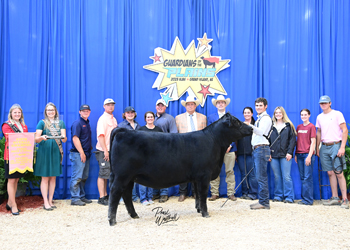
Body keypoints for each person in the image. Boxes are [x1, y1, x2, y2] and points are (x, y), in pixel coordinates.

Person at [316, 95, 348, 209]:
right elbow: (319, 132)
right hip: (324, 146)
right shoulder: (319, 117)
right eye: (321, 103)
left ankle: (345, 199)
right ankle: (335, 198)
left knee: (339, 172)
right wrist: (317, 148)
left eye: (325, 103)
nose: (323, 105)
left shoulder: (337, 114)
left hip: (336, 145)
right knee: (330, 173)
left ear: (330, 103)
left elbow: (345, 130)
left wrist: (342, 147)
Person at [34, 102, 67, 211]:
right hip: (44, 151)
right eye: (48, 110)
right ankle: (45, 202)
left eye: (52, 110)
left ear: (55, 111)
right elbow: (36, 139)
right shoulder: (42, 123)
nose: (50, 112)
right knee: (45, 177)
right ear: (46, 112)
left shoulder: (60, 123)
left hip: (55, 151)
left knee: (53, 177)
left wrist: (63, 138)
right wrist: (42, 137)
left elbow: (64, 138)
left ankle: (51, 200)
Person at [175, 96, 207, 202]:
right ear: (185, 106)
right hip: (183, 147)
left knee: (197, 170)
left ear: (195, 105)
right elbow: (176, 134)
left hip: (198, 148)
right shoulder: (178, 118)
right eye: (188, 104)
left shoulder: (203, 117)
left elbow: (205, 134)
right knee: (182, 170)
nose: (190, 106)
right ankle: (182, 193)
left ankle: (195, 193)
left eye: (192, 104)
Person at [207, 95, 237, 201]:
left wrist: (230, 144)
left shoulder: (231, 117)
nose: (220, 104)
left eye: (222, 102)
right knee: (214, 171)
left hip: (230, 149)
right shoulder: (211, 118)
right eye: (218, 102)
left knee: (230, 171)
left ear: (225, 104)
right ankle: (214, 193)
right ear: (216, 105)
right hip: (215, 150)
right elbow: (210, 133)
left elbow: (235, 132)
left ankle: (231, 193)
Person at [1, 104, 29, 215]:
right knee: (11, 180)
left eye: (19, 112)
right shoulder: (7, 125)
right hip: (11, 156)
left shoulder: (23, 125)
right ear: (11, 114)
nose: (17, 114)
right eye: (15, 112)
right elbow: (10, 138)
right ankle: (14, 205)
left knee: (16, 179)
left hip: (20, 156)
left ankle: (9, 202)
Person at [247, 97, 272, 210]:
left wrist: (249, 125)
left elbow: (261, 132)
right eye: (257, 105)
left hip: (261, 149)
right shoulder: (259, 118)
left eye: (260, 105)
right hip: (258, 149)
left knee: (261, 176)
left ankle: (264, 202)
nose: (258, 107)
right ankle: (262, 200)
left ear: (265, 106)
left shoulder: (265, 118)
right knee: (259, 176)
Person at [269, 106, 296, 203]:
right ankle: (278, 195)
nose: (278, 114)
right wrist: (268, 153)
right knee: (277, 176)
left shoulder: (289, 126)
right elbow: (267, 141)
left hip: (285, 155)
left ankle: (289, 197)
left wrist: (290, 152)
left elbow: (292, 141)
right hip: (274, 155)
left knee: (286, 176)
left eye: (280, 113)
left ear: (283, 114)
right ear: (274, 114)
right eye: (276, 113)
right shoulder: (270, 126)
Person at [153, 99, 178, 203]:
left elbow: (174, 134)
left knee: (164, 171)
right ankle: (155, 192)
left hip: (164, 148)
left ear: (165, 107)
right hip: (153, 149)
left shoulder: (170, 118)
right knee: (153, 170)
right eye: (158, 105)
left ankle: (164, 193)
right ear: (156, 107)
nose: (160, 107)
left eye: (162, 105)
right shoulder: (151, 117)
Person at [95, 98, 118, 206]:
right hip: (104, 150)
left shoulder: (113, 119)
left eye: (112, 105)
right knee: (103, 173)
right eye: (108, 105)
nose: (110, 106)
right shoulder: (103, 119)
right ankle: (101, 197)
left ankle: (105, 195)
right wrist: (105, 151)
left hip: (112, 150)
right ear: (104, 106)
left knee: (107, 173)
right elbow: (101, 136)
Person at [69, 104, 92, 206]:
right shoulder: (77, 123)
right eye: (83, 111)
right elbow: (75, 138)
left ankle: (81, 196)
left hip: (86, 154)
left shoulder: (87, 123)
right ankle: (75, 198)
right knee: (77, 177)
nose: (85, 112)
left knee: (84, 176)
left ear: (89, 112)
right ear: (80, 112)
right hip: (78, 154)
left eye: (87, 111)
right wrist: (82, 153)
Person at [138, 111, 163, 205]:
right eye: (148, 117)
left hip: (155, 157)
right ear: (145, 119)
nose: (150, 118)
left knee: (151, 177)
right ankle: (143, 198)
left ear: (154, 118)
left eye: (151, 117)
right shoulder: (141, 129)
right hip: (143, 157)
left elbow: (162, 143)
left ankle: (150, 197)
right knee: (142, 177)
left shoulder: (158, 130)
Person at [118, 106, 141, 202]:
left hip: (136, 154)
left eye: (132, 112)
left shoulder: (138, 126)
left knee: (135, 175)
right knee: (124, 176)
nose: (130, 114)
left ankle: (133, 196)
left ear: (134, 114)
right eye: (128, 113)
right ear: (124, 115)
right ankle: (122, 198)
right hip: (125, 154)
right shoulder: (121, 126)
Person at [294, 109, 316, 205]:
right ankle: (304, 198)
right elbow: (297, 141)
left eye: (305, 115)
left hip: (307, 154)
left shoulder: (312, 127)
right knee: (303, 177)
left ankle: (308, 200)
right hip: (299, 154)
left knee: (307, 177)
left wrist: (309, 156)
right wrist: (295, 154)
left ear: (309, 115)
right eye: (302, 115)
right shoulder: (298, 127)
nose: (303, 116)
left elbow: (313, 142)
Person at [236, 107, 258, 200]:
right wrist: (236, 153)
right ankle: (245, 193)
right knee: (243, 174)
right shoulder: (240, 125)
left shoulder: (256, 125)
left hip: (251, 153)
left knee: (252, 174)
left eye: (248, 112)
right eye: (245, 112)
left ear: (252, 114)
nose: (246, 114)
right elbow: (236, 139)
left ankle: (253, 193)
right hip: (241, 153)